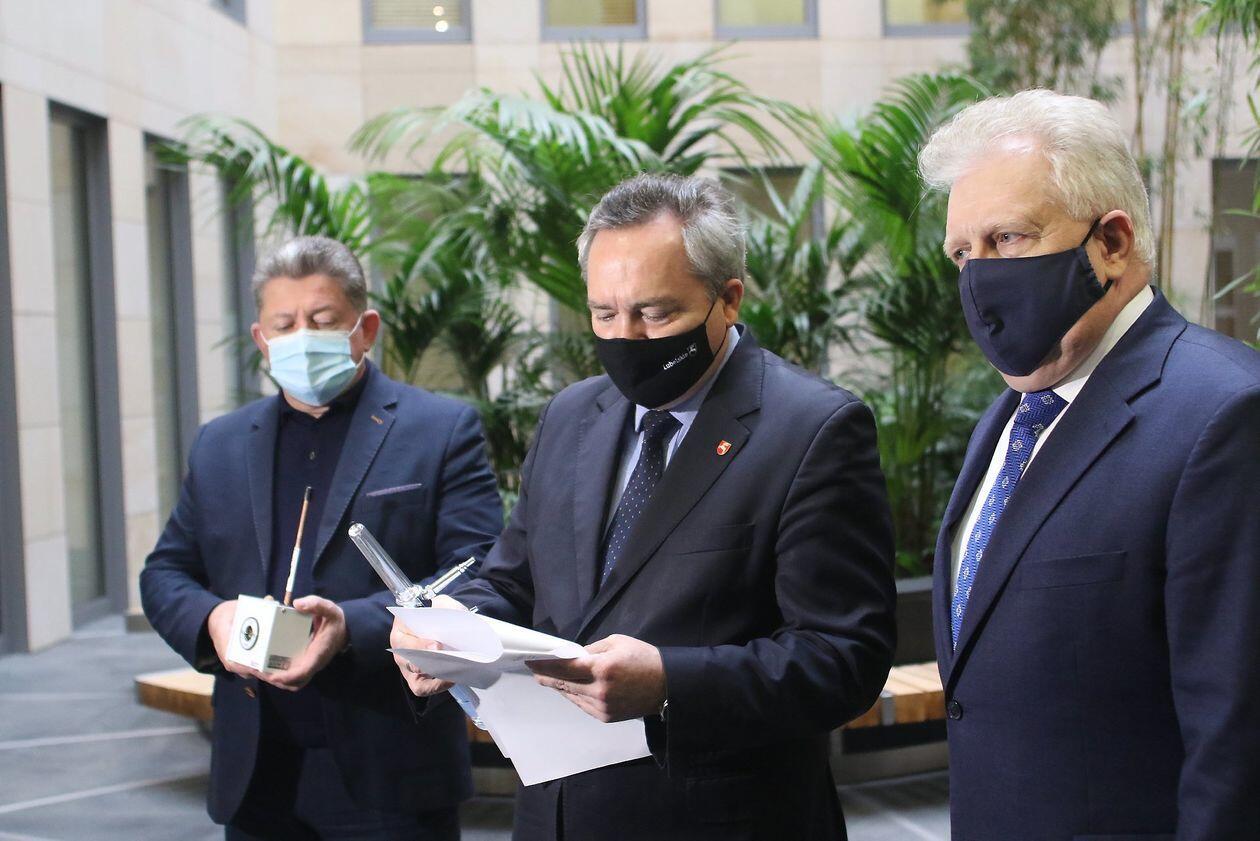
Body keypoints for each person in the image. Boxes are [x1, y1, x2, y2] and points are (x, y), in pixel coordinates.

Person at [392, 173, 897, 840]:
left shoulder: (812, 429)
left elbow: (843, 658)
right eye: (604, 314)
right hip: (556, 815)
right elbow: (514, 578)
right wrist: (452, 626)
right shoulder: (572, 415)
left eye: (655, 314)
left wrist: (668, 683)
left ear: (728, 299)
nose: (626, 337)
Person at [919, 89, 1260, 840]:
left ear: (1112, 241)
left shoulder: (1225, 413)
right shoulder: (1008, 419)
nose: (978, 278)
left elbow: (1237, 740)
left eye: (1008, 238)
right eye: (962, 253)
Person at [140, 235, 504, 840]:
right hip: (257, 771)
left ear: (365, 329)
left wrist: (351, 627)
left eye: (323, 320)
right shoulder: (219, 444)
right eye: (284, 324)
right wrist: (212, 619)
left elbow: (479, 569)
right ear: (261, 339)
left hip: (391, 764)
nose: (302, 336)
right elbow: (165, 572)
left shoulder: (440, 430)